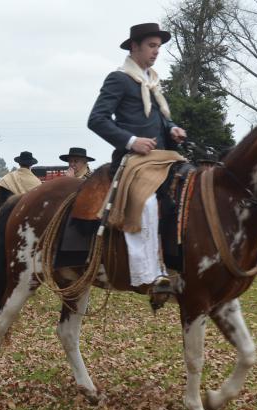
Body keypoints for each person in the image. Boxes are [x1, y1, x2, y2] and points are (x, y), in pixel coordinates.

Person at [87, 22, 187, 299]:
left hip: (164, 157)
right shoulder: (119, 79)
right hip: (134, 159)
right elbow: (96, 120)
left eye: (159, 47)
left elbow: (161, 120)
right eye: (151, 46)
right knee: (149, 203)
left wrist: (172, 129)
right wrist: (132, 141)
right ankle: (149, 275)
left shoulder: (151, 81)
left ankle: (180, 263)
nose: (157, 52)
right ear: (135, 47)